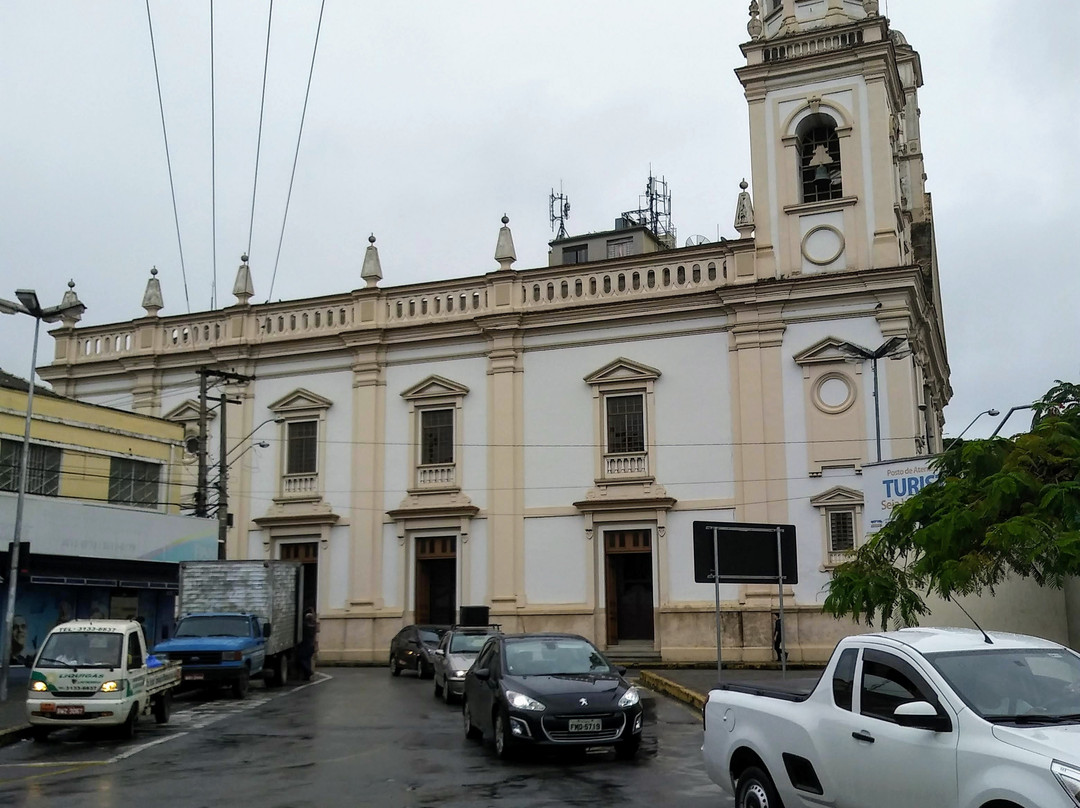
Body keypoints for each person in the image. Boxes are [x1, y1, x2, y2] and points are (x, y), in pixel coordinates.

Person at [299, 607, 318, 681]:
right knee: (308, 660)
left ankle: (308, 672)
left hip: (305, 645)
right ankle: (307, 675)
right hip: (311, 645)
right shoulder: (313, 626)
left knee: (302, 659)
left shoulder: (304, 625)